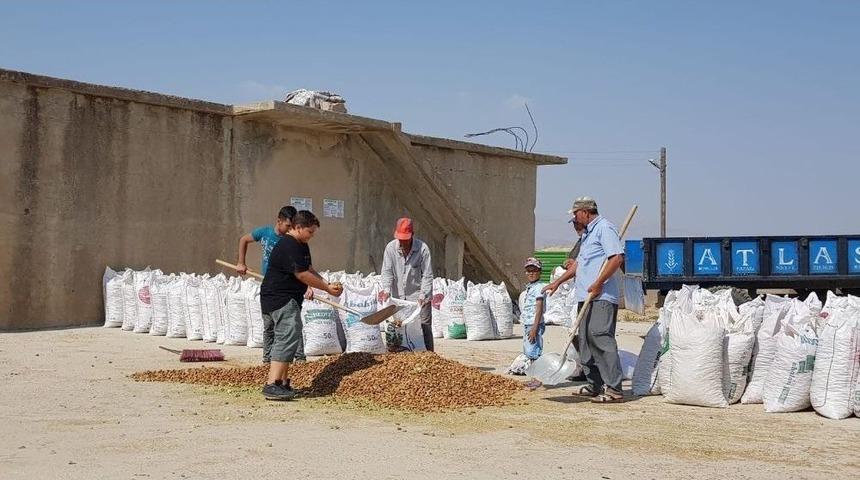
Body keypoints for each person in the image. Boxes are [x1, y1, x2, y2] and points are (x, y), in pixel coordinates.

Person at [259, 210, 343, 401]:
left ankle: (282, 382)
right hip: (279, 298)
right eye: (310, 232)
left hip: (288, 298)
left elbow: (308, 269)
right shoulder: (289, 245)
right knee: (286, 336)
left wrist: (326, 283)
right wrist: (327, 290)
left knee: (291, 335)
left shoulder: (301, 245)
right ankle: (272, 383)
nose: (312, 236)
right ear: (298, 227)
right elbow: (302, 275)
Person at [566, 196, 625, 403]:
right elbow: (579, 265)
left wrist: (599, 282)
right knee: (585, 341)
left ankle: (615, 389)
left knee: (600, 338)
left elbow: (616, 258)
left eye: (575, 214)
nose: (574, 218)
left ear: (585, 212)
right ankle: (595, 384)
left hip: (601, 297)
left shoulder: (604, 228)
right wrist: (557, 282)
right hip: (585, 296)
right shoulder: (587, 235)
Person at [378, 217, 434, 351]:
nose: (402, 242)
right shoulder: (390, 248)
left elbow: (427, 275)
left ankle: (430, 357)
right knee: (395, 326)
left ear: (412, 235)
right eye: (400, 239)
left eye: (405, 239)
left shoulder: (423, 249)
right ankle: (394, 356)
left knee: (424, 325)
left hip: (419, 296)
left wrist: (423, 295)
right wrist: (386, 289)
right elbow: (387, 271)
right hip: (398, 297)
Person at [507, 258, 547, 375]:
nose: (531, 273)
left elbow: (539, 309)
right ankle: (531, 370)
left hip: (534, 323)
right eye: (529, 271)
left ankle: (536, 372)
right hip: (528, 322)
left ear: (539, 271)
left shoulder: (539, 287)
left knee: (533, 349)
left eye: (534, 270)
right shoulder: (531, 287)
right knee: (528, 348)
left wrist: (535, 328)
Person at [236, 205, 296, 276]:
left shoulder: (292, 239)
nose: (291, 229)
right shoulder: (265, 232)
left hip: (283, 282)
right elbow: (244, 240)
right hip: (267, 280)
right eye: (288, 226)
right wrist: (241, 263)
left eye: (293, 227)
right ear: (279, 221)